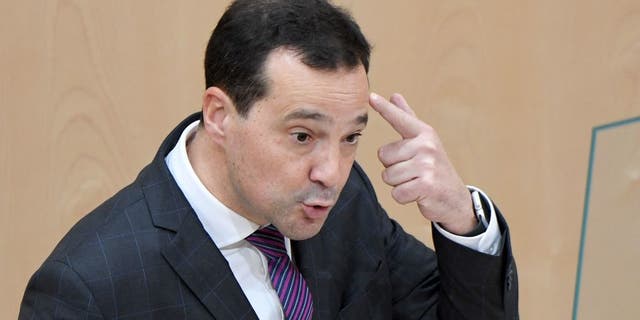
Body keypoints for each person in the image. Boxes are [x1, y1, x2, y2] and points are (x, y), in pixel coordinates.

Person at [19, 0, 518, 319]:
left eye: (350, 138)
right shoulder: (88, 286)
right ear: (219, 114)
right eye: (303, 135)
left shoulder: (348, 206)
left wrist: (459, 216)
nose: (331, 173)